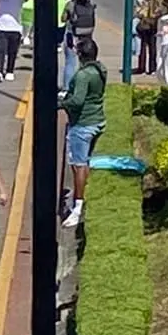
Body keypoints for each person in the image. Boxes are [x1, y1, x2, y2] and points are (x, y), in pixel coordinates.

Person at [59, 37, 107, 229]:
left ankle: (77, 207)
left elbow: (77, 101)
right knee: (84, 162)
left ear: (80, 55)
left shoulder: (83, 75)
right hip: (97, 119)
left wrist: (62, 103)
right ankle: (81, 196)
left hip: (82, 124)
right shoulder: (100, 70)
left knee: (78, 164)